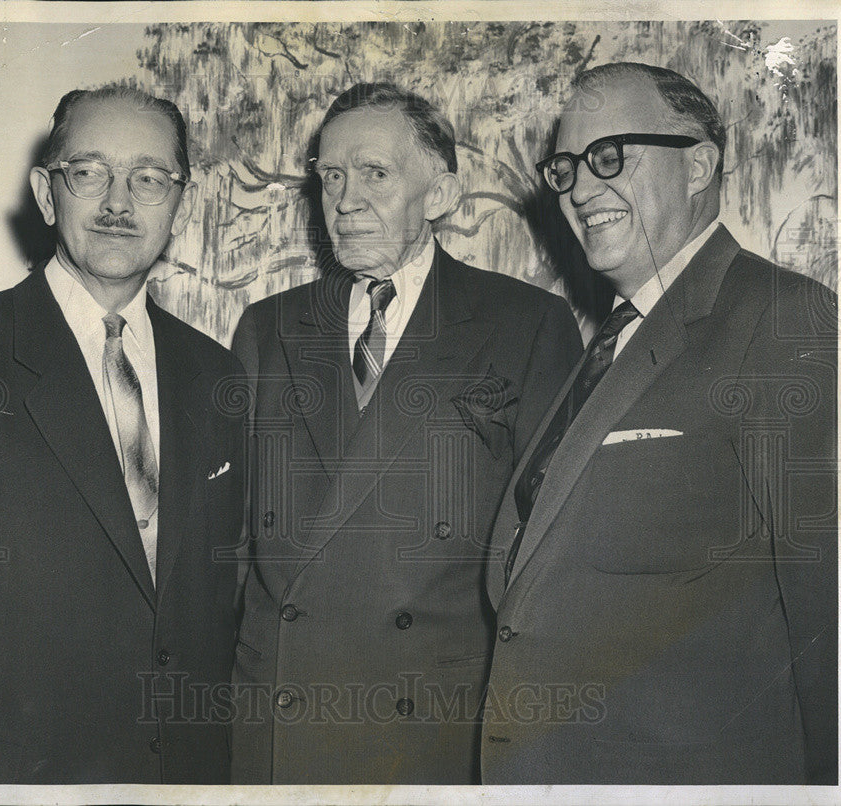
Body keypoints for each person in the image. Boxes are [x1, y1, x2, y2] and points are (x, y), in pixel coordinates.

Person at [482, 62, 837, 785]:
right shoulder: (613, 342)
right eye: (566, 167)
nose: (579, 189)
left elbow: (832, 617)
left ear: (699, 165)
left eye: (609, 156)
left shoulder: (779, 315)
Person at [0, 86, 244, 784]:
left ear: (180, 204)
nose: (118, 201)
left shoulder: (216, 372)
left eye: (149, 178)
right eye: (88, 171)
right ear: (47, 196)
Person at [229, 82, 581, 784]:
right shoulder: (268, 327)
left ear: (442, 195)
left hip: (432, 726)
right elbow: (233, 550)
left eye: (375, 174)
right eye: (331, 176)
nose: (345, 199)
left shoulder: (528, 325)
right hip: (281, 721)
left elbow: (551, 562)